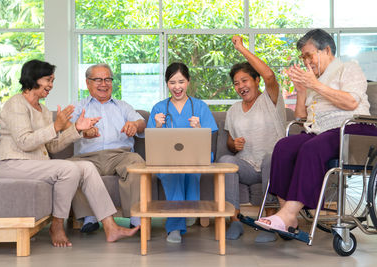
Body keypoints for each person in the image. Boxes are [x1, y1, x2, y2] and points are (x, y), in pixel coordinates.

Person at [0, 59, 139, 247]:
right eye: (48, 80)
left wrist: (77, 129)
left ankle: (111, 227)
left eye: (52, 80)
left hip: (36, 164)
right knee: (69, 169)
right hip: (13, 164)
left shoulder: (43, 110)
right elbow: (25, 142)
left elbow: (52, 147)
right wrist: (56, 126)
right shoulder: (16, 104)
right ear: (34, 79)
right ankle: (57, 225)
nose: (51, 86)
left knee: (86, 167)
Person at [256, 29, 377, 232]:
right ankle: (286, 214)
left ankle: (289, 214)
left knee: (312, 148)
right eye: (303, 57)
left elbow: (351, 102)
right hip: (320, 132)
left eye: (308, 55)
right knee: (284, 146)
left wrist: (314, 85)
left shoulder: (348, 68)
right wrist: (303, 91)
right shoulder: (313, 80)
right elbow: (300, 117)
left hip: (352, 129)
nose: (305, 61)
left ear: (326, 50)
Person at [218, 36, 286, 242]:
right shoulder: (233, 110)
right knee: (225, 161)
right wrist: (233, 144)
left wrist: (241, 48)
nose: (241, 86)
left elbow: (270, 75)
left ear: (257, 81)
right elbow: (230, 142)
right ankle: (235, 221)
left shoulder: (270, 99)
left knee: (270, 157)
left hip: (272, 165)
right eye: (236, 83)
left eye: (245, 80)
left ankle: (269, 222)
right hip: (247, 166)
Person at [69, 63, 145, 233]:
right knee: (70, 168)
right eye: (98, 80)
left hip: (120, 155)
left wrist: (134, 125)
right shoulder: (79, 107)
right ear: (88, 83)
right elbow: (66, 127)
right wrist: (81, 129)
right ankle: (90, 216)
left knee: (137, 163)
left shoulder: (122, 105)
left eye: (108, 79)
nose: (104, 84)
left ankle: (135, 216)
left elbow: (141, 122)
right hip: (87, 156)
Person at [147, 62, 218, 243]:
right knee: (173, 173)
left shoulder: (200, 106)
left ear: (188, 82)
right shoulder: (158, 108)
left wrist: (200, 127)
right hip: (166, 158)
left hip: (195, 155)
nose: (177, 87)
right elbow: (152, 143)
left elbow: (210, 139)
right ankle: (176, 226)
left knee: (189, 168)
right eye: (172, 82)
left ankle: (189, 209)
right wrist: (157, 126)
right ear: (167, 84)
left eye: (181, 82)